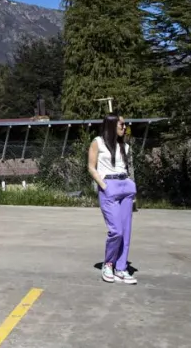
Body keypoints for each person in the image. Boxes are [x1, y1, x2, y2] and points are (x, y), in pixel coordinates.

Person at [87, 114, 137, 284]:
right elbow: (91, 167)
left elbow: (126, 167)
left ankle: (121, 268)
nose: (125, 127)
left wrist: (131, 185)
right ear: (111, 125)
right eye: (122, 125)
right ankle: (108, 264)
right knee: (116, 231)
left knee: (126, 232)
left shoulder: (125, 146)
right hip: (109, 185)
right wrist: (104, 185)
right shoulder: (98, 142)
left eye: (125, 125)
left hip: (126, 186)